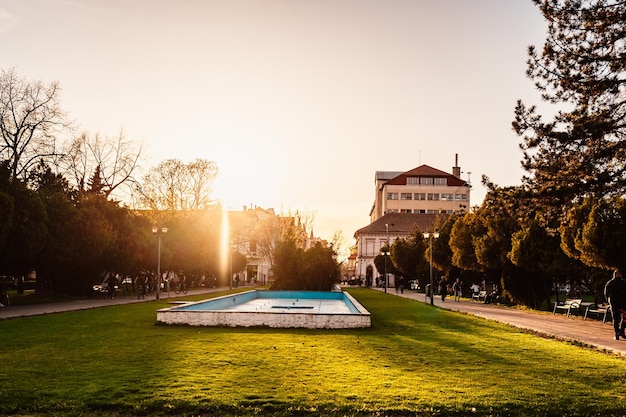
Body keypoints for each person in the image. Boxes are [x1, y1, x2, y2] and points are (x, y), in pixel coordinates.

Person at [604, 269, 626, 340]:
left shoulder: (609, 283)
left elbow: (606, 294)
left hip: (614, 304)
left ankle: (617, 333)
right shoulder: (624, 283)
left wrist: (608, 300)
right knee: (624, 317)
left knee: (615, 319)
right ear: (620, 275)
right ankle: (622, 330)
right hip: (623, 304)